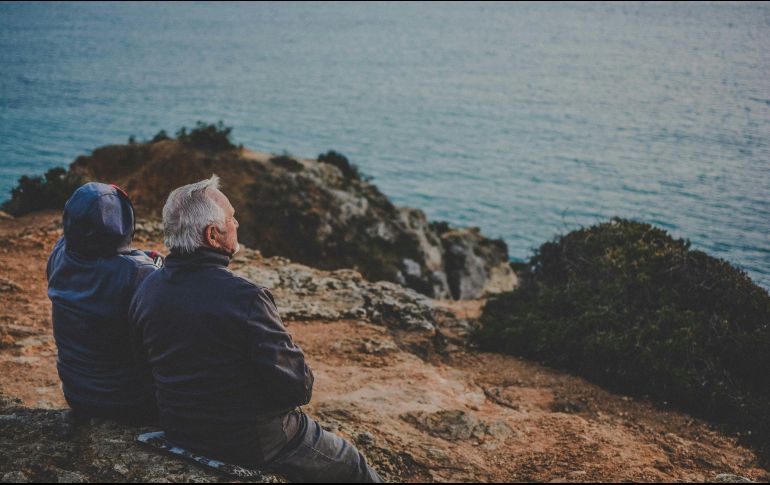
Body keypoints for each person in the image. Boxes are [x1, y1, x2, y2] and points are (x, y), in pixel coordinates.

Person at [129, 175, 383, 483]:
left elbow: (144, 363)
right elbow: (298, 388)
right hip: (253, 441)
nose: (237, 224)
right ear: (213, 235)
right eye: (232, 219)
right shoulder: (245, 298)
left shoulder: (147, 287)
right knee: (352, 464)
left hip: (178, 427)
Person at [47, 182, 161, 424]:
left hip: (76, 393)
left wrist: (141, 257)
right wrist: (155, 263)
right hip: (130, 402)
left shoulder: (60, 252)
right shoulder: (139, 273)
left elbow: (104, 260)